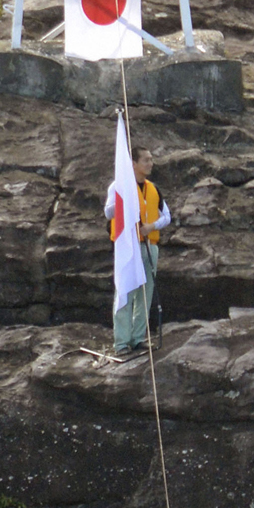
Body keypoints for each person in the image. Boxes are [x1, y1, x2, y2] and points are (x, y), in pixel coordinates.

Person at [104, 146, 170, 356]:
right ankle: (122, 343)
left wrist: (151, 227)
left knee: (145, 293)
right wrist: (125, 201)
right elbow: (108, 212)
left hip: (149, 246)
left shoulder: (153, 188)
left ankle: (138, 338)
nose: (150, 164)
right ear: (134, 164)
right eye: (146, 160)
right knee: (125, 292)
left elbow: (166, 216)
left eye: (151, 159)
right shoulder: (118, 186)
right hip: (128, 247)